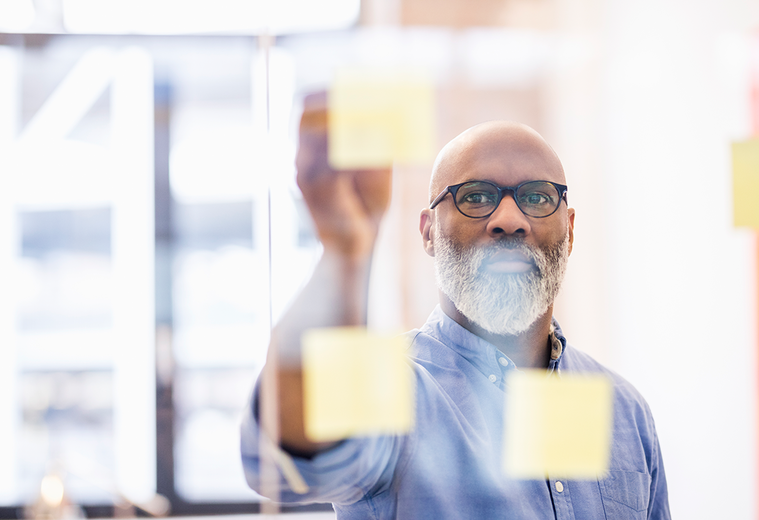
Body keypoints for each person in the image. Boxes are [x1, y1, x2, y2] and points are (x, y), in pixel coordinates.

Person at [241, 93, 671, 519]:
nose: (509, 219)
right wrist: (344, 251)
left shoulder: (625, 412)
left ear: (571, 230)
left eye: (538, 197)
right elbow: (290, 459)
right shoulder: (390, 389)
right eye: (476, 196)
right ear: (428, 232)